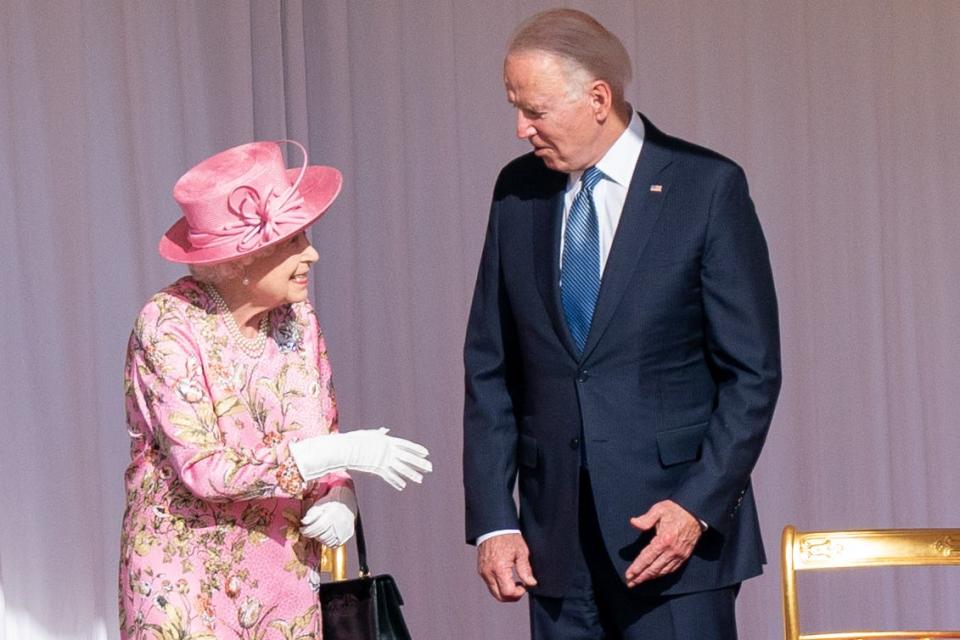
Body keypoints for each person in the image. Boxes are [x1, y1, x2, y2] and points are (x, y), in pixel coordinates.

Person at [463, 9, 781, 639]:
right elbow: (490, 366)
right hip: (554, 546)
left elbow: (752, 374)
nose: (521, 127)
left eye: (535, 109)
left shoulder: (705, 187)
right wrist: (497, 520)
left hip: (671, 539)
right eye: (514, 106)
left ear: (598, 98)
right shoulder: (516, 191)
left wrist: (696, 505)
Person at [119, 140, 432, 639]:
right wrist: (341, 451)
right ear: (240, 258)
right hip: (188, 583)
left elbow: (321, 428)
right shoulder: (168, 324)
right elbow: (205, 470)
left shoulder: (299, 319)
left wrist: (339, 493)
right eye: (293, 242)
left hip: (282, 576)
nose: (312, 253)